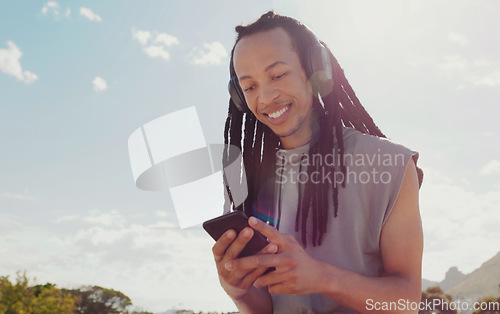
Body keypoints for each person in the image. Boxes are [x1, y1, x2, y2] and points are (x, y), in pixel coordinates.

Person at [212, 11, 424, 313]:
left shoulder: (390, 164)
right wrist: (239, 292)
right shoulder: (244, 180)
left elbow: (407, 302)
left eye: (277, 75)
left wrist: (323, 278)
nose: (266, 96)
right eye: (249, 87)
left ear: (316, 70)